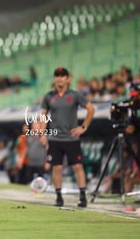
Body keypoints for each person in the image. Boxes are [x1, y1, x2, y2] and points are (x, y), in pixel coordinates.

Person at [40, 67, 95, 207]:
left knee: (78, 166)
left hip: (71, 138)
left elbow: (91, 109)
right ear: (54, 78)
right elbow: (43, 115)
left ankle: (82, 196)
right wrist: (42, 133)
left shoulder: (75, 95)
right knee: (56, 168)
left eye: (62, 75)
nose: (59, 78)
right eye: (57, 75)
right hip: (55, 139)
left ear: (68, 79)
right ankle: (58, 197)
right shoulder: (48, 96)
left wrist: (83, 127)